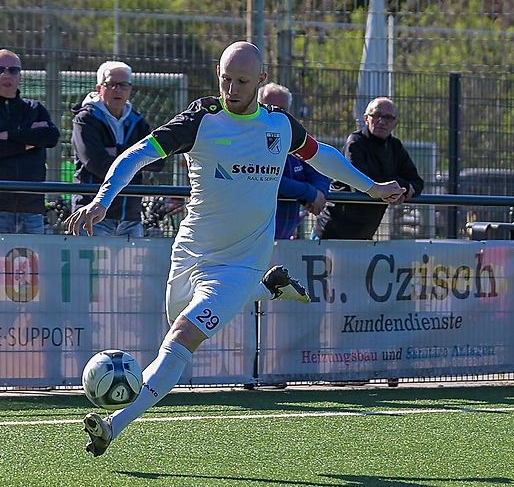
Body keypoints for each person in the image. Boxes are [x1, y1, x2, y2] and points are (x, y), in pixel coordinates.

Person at [67, 41, 406, 456]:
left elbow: (323, 157)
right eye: (226, 79)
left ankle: (113, 425)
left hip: (242, 262)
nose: (231, 89)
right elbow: (136, 155)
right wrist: (102, 200)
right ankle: (269, 289)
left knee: (180, 339)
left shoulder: (279, 125)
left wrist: (371, 187)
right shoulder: (201, 120)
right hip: (191, 253)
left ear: (261, 80)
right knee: (175, 325)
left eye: (242, 81)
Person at [0, 49, 60, 234]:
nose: (7, 75)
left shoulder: (34, 108)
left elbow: (50, 137)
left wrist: (7, 135)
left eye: (13, 70)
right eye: (0, 69)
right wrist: (28, 142)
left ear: (20, 76)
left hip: (31, 209)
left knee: (32, 254)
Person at [71, 61, 165, 237]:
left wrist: (118, 151)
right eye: (111, 84)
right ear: (99, 88)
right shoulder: (85, 119)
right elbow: (96, 163)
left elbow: (159, 161)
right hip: (92, 215)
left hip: (130, 217)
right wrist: (136, 158)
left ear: (130, 89)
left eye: (123, 85)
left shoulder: (138, 122)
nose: (118, 90)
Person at [314, 96, 424, 239]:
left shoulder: (395, 147)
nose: (382, 121)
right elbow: (362, 184)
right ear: (366, 118)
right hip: (331, 232)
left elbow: (417, 182)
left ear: (395, 123)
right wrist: (398, 188)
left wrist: (401, 190)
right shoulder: (355, 142)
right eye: (376, 115)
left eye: (388, 117)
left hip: (364, 235)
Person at [258, 83, 330, 239]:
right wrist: (309, 193)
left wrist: (319, 193)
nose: (275, 113)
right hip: (253, 239)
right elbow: (270, 178)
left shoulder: (293, 138)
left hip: (283, 239)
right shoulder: (251, 139)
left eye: (281, 109)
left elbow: (318, 169)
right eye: (269, 108)